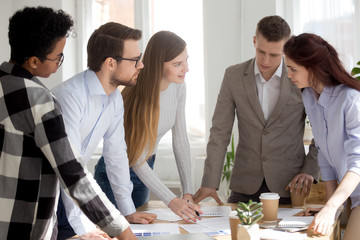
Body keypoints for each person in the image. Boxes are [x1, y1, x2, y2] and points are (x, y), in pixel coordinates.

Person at [0, 6, 135, 240]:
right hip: (23, 223)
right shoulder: (39, 100)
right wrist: (121, 230)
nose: (59, 62)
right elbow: (72, 172)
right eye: (57, 57)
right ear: (33, 61)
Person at [193, 15, 319, 205]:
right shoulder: (233, 76)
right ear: (254, 41)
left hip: (290, 186)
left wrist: (309, 170)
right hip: (244, 185)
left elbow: (323, 131)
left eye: (274, 55)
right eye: (261, 51)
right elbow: (220, 131)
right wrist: (210, 182)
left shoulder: (301, 78)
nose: (265, 60)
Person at [52, 22, 157, 239]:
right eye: (135, 60)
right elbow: (70, 168)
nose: (141, 65)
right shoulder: (69, 96)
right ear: (110, 63)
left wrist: (127, 211)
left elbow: (116, 155)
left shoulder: (115, 98)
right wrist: (84, 228)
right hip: (52, 198)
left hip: (77, 195)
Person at [94, 31, 202, 222]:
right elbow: (136, 157)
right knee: (117, 231)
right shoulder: (137, 94)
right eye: (177, 64)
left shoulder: (179, 87)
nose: (186, 69)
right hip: (115, 174)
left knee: (142, 230)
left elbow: (180, 140)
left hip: (145, 168)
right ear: (158, 64)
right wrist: (171, 200)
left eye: (186, 60)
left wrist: (187, 192)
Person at [284, 33, 360, 239]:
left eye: (293, 69)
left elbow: (357, 164)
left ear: (313, 66)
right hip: (349, 196)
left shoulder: (350, 99)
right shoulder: (309, 96)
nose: (288, 74)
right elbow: (325, 158)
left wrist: (331, 206)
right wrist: (330, 208)